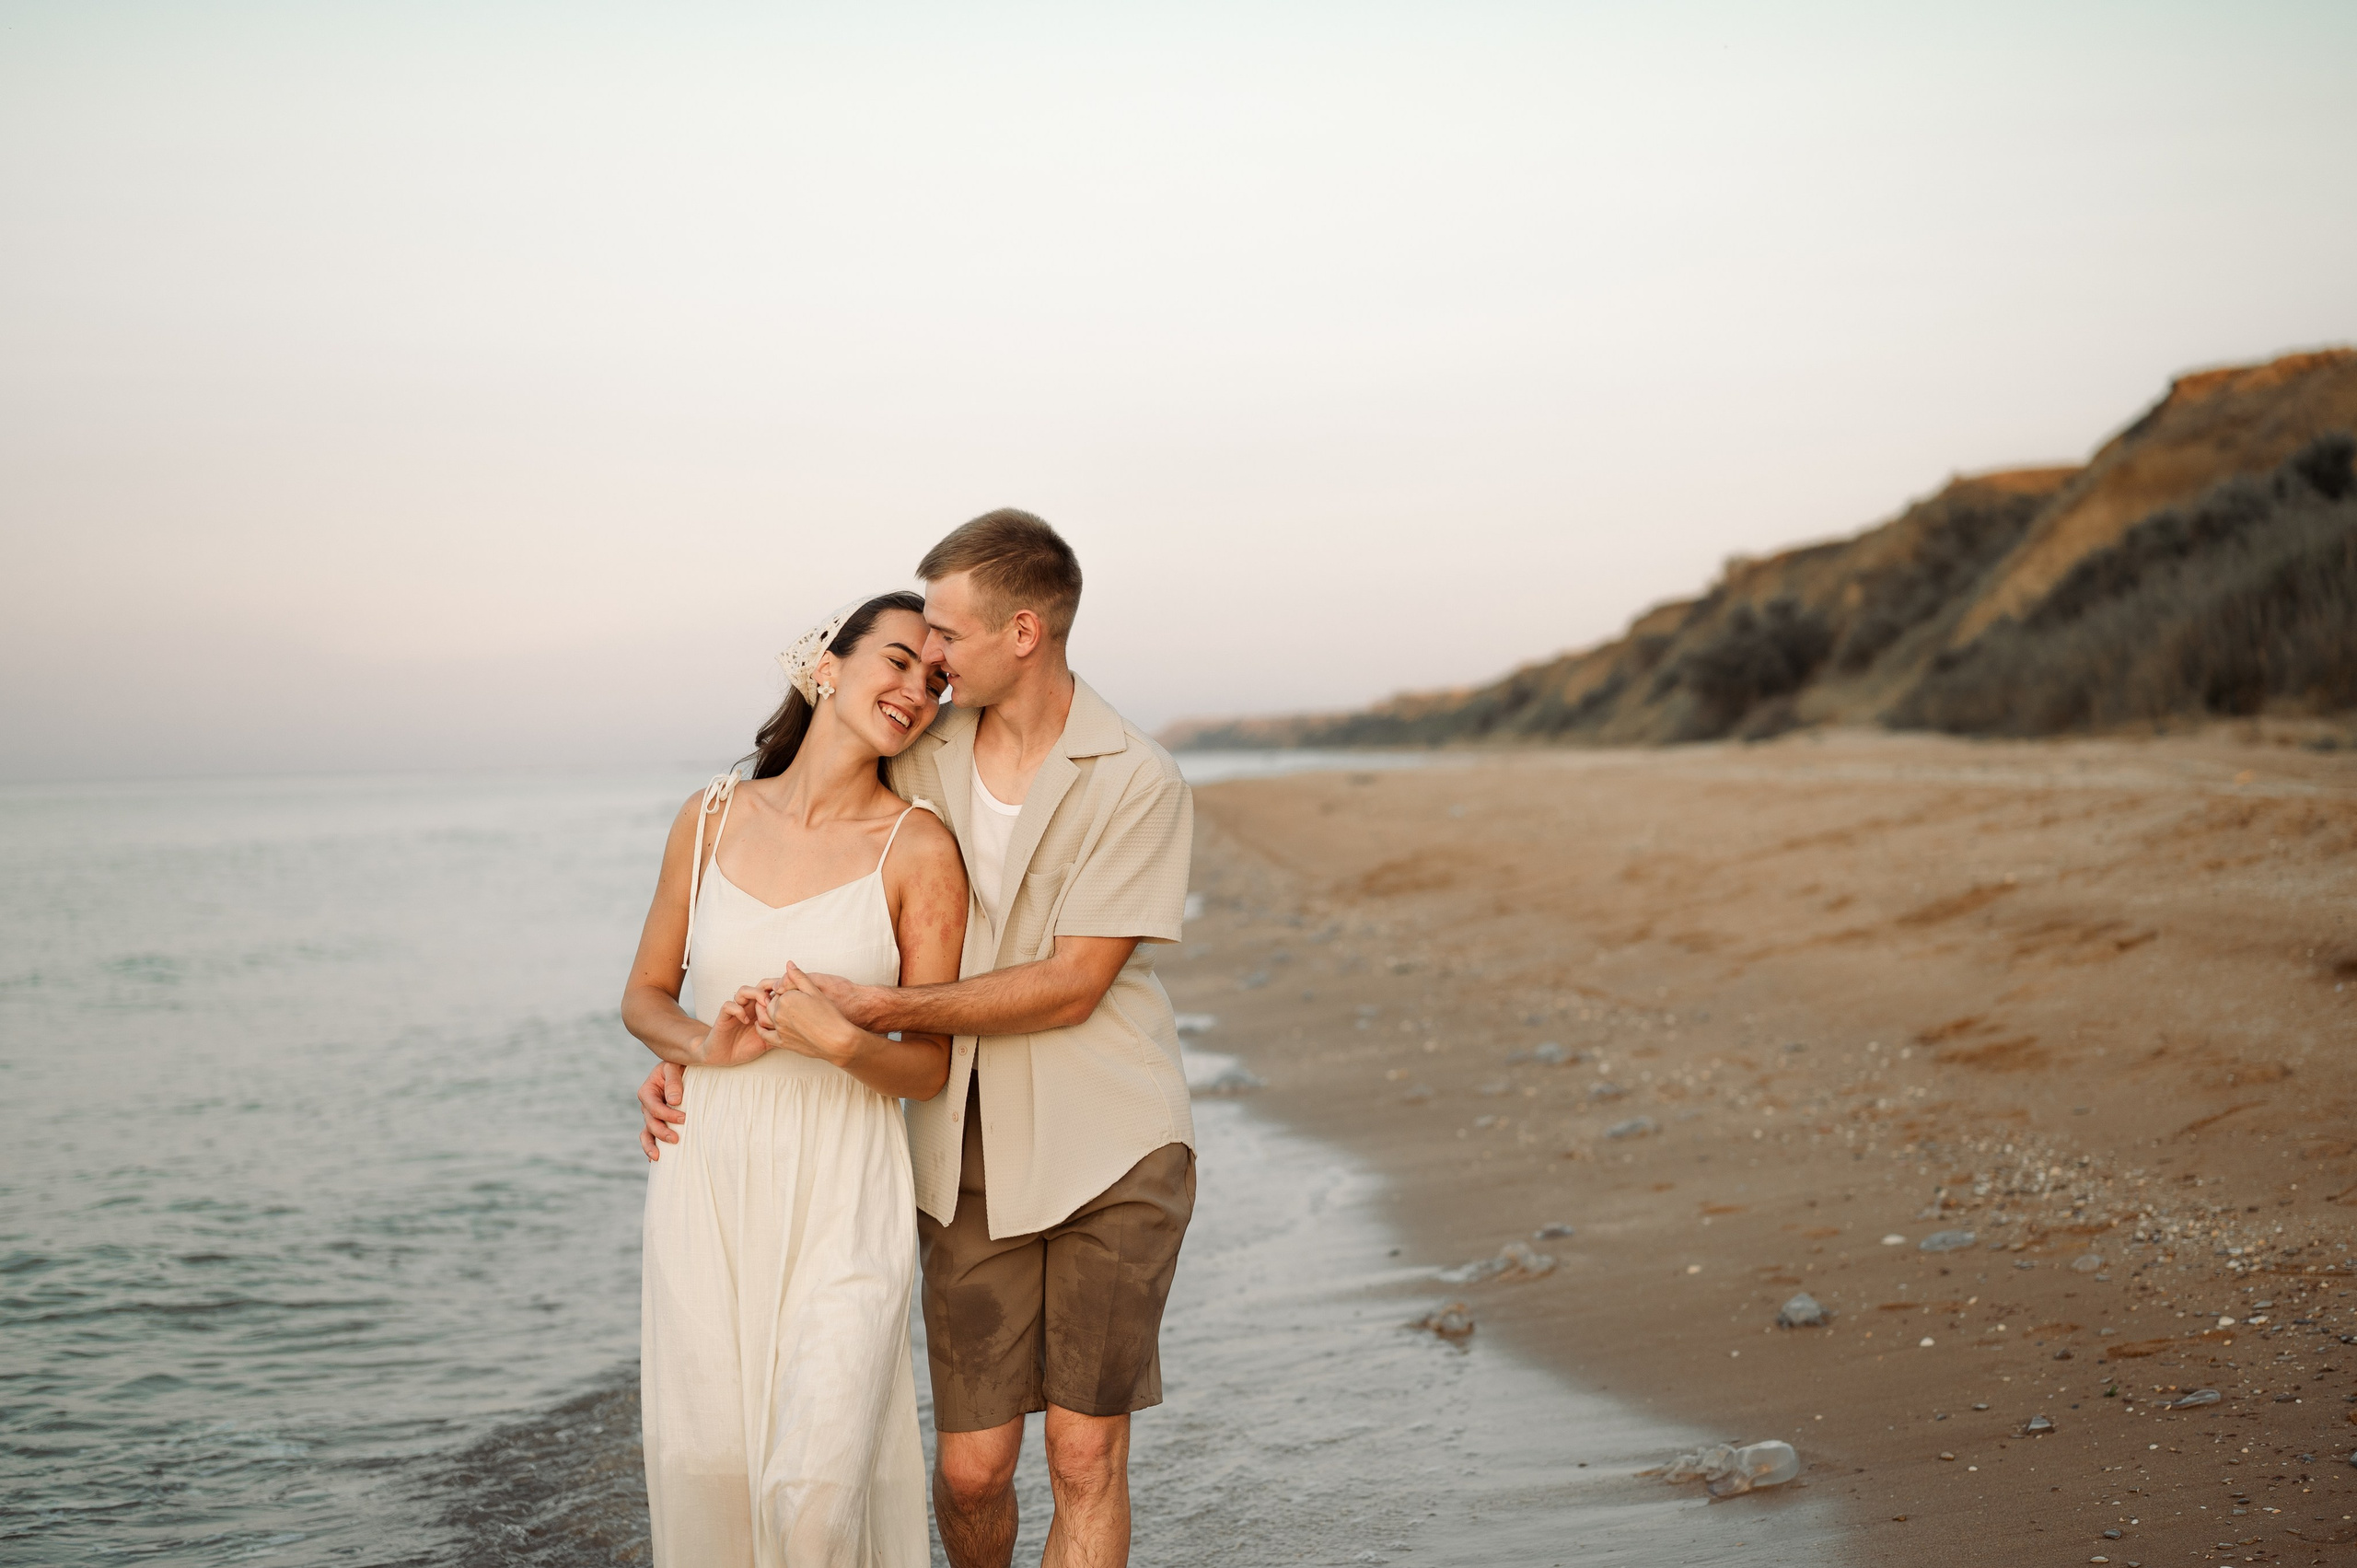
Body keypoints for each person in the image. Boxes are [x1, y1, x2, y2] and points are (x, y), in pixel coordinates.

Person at [642, 510, 1197, 1568]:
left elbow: (1073, 985)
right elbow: (777, 886)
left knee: (1085, 1455)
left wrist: (863, 1011)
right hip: (961, 1155)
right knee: (973, 1472)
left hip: (1109, 1137)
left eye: (944, 631)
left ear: (1022, 631)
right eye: (916, 640)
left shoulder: (1135, 777)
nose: (930, 660)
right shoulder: (919, 745)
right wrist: (694, 1048)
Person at [620, 591, 969, 1566]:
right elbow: (646, 995)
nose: (915, 689)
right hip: (709, 1177)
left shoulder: (919, 847)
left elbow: (929, 1065)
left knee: (812, 1494)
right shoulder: (711, 814)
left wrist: (842, 1040)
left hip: (845, 1185)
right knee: (714, 1474)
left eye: (936, 680)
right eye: (897, 660)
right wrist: (702, 1047)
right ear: (827, 665)